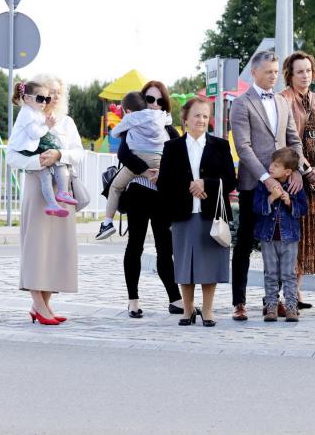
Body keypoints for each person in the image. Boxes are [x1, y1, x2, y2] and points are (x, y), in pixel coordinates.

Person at [230, 50, 304, 321]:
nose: (274, 76)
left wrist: (297, 171)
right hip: (254, 184)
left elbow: (293, 140)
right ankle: (239, 302)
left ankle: (273, 301)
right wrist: (266, 178)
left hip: (284, 185)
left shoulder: (283, 101)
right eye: (268, 72)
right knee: (245, 242)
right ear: (254, 73)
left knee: (280, 241)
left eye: (275, 72)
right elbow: (243, 147)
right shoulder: (241, 103)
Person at [7, 74, 84, 325]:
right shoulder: (28, 119)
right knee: (36, 248)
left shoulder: (67, 122)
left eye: (59, 92)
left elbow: (79, 153)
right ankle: (39, 306)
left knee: (58, 249)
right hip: (36, 186)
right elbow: (11, 156)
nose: (55, 97)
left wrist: (59, 154)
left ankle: (43, 304)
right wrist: (38, 160)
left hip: (62, 190)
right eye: (50, 92)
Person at [158, 96, 237, 327]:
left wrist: (206, 184)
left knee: (209, 264)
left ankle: (208, 311)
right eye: (197, 115)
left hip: (211, 215)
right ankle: (188, 310)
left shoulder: (220, 145)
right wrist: (190, 186)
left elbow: (230, 181)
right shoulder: (172, 147)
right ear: (185, 118)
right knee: (185, 264)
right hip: (182, 213)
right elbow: (163, 183)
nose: (201, 120)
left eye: (205, 116)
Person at [116, 80, 183, 318]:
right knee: (135, 245)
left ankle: (175, 299)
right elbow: (123, 153)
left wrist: (162, 173)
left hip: (162, 194)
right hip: (138, 191)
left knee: (166, 247)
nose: (154, 104)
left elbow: (179, 156)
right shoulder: (133, 124)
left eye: (159, 100)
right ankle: (133, 300)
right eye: (149, 99)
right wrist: (145, 171)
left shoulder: (169, 128)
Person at [279, 51, 315, 309]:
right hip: (294, 174)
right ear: (289, 74)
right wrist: (299, 170)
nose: (305, 75)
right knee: (292, 234)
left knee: (311, 235)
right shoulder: (283, 99)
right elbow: (283, 140)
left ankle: (297, 290)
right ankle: (282, 293)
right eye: (299, 71)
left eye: (308, 71)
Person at [96, 91, 171, 240]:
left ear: (128, 110)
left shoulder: (130, 118)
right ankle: (173, 218)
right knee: (167, 188)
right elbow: (169, 120)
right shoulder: (159, 115)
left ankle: (107, 223)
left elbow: (114, 133)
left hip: (137, 159)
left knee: (115, 187)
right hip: (158, 159)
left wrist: (127, 126)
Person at [7, 80, 77, 217]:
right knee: (46, 174)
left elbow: (78, 153)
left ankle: (57, 198)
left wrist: (59, 154)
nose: (45, 102)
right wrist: (47, 126)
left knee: (52, 170)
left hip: (33, 150)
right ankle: (57, 197)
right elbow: (34, 134)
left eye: (47, 99)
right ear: (27, 98)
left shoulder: (38, 113)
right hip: (27, 151)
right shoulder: (28, 113)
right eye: (41, 98)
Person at [254, 148, 308, 322]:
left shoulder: (295, 187)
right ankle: (271, 307)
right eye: (272, 163)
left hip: (289, 238)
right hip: (268, 238)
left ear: (287, 172)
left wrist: (289, 201)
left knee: (289, 274)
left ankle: (291, 306)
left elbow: (303, 209)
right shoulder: (263, 185)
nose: (271, 167)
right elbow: (256, 207)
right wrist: (271, 198)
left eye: (276, 166)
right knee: (270, 273)